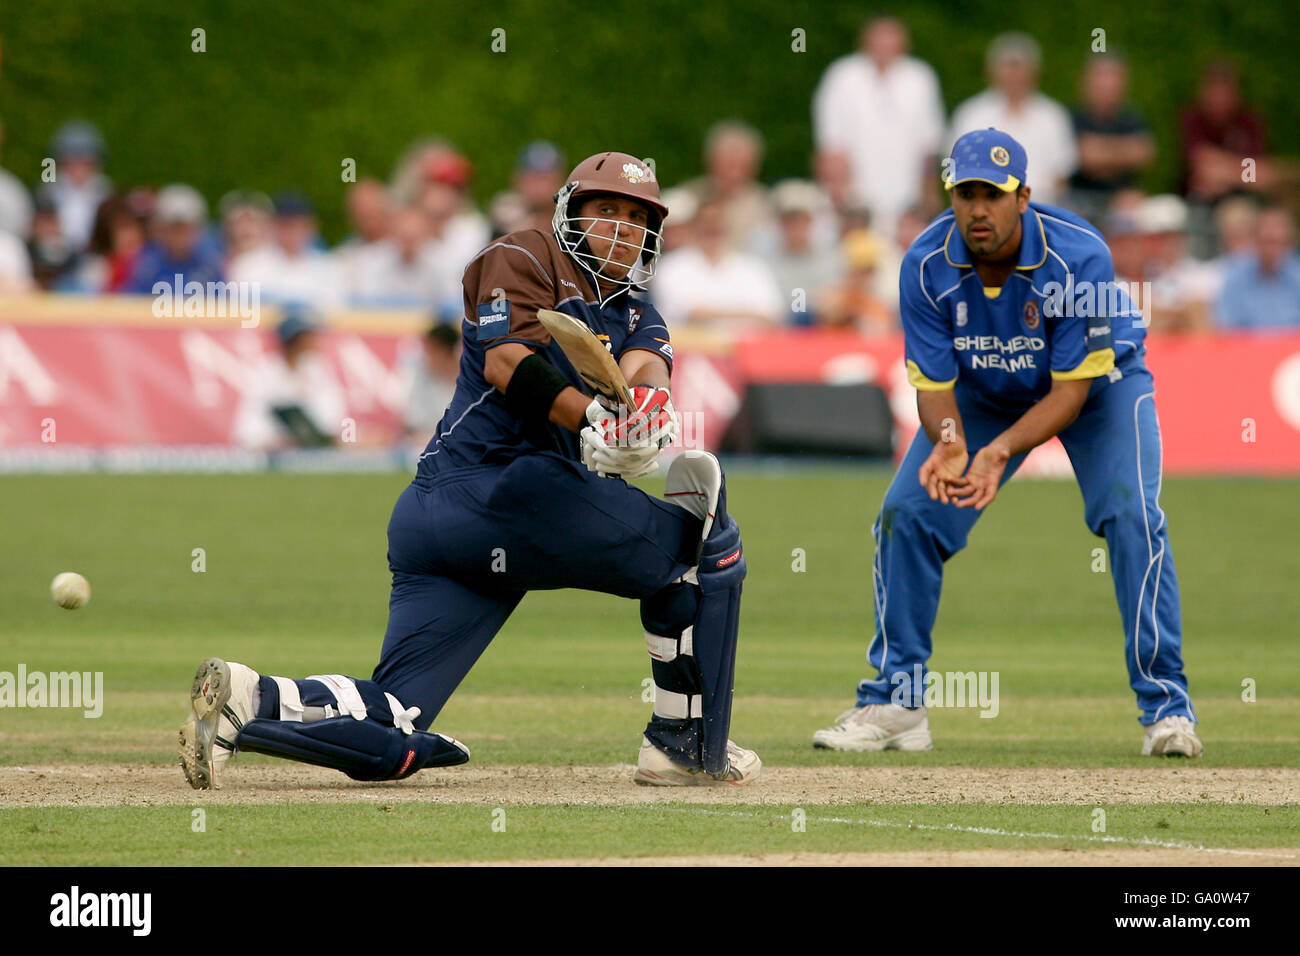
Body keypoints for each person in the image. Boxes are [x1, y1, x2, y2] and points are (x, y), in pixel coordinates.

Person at [178, 150, 761, 790]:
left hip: (453, 523)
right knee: (702, 544)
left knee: (393, 727)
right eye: (607, 210)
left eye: (636, 216)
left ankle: (249, 700)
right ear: (570, 211)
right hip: (503, 491)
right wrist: (596, 420)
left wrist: (649, 405)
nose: (622, 227)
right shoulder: (525, 254)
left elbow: (649, 364)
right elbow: (507, 364)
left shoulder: (636, 307)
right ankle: (682, 742)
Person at [813, 129, 1201, 759]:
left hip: (1098, 386)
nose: (977, 209)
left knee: (1131, 515)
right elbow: (934, 383)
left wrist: (995, 452)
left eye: (991, 195)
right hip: (984, 390)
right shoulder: (924, 263)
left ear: (1023, 196)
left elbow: (1070, 395)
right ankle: (898, 701)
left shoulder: (1082, 257)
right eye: (964, 194)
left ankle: (1167, 709)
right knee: (906, 514)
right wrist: (948, 442)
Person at [812, 15, 946, 234]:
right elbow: (831, 145)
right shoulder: (842, 76)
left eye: (890, 38)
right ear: (864, 40)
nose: (884, 45)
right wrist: (839, 198)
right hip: (855, 199)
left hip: (907, 198)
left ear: (904, 43)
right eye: (878, 38)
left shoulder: (921, 78)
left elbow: (930, 145)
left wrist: (929, 194)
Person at [946, 34, 1077, 207]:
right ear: (992, 71)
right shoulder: (971, 114)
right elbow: (955, 170)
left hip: (1041, 212)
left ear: (1034, 72)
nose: (1014, 75)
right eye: (1008, 67)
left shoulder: (1052, 116)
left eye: (1020, 67)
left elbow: (1061, 177)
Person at [230, 307, 346, 451]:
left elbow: (331, 418)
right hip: (275, 452)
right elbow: (249, 427)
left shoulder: (319, 370)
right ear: (295, 339)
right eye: (308, 335)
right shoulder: (267, 373)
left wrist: (324, 437)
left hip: (316, 450)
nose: (315, 340)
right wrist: (278, 441)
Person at [1067, 52, 1156, 224]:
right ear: (1086, 82)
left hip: (1124, 200)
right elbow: (1084, 157)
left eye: (1112, 78)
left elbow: (1143, 155)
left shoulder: (1133, 118)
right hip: (1078, 198)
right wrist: (1123, 151)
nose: (1107, 86)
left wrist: (1099, 149)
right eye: (1101, 78)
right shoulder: (1071, 117)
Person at [1214, 204, 1300, 330]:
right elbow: (1226, 325)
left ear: (1289, 241)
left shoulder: (1297, 274)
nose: (1271, 249)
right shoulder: (1235, 275)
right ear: (1254, 239)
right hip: (1245, 347)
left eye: (1277, 242)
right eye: (1267, 241)